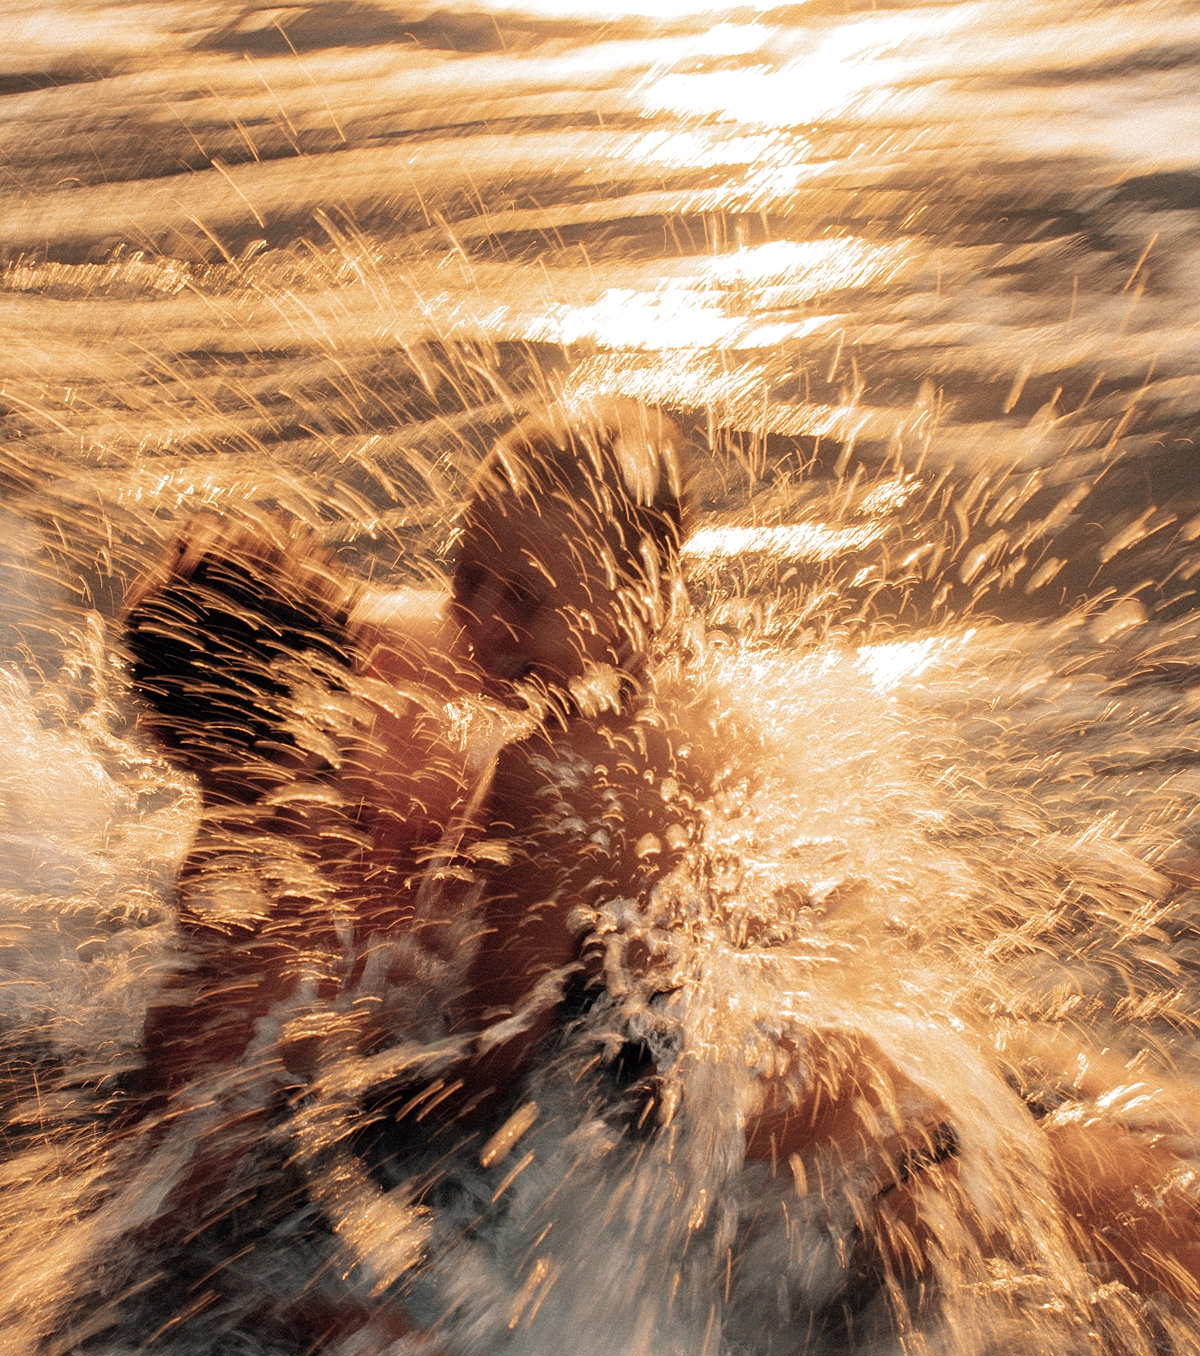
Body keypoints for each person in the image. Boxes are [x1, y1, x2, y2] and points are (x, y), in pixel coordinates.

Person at [122, 401, 1200, 1310]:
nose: (482, 626)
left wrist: (354, 1093)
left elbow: (486, 1062)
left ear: (632, 598)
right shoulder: (681, 696)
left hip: (866, 1175)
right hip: (913, 1077)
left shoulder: (549, 775)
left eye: (526, 601)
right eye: (468, 578)